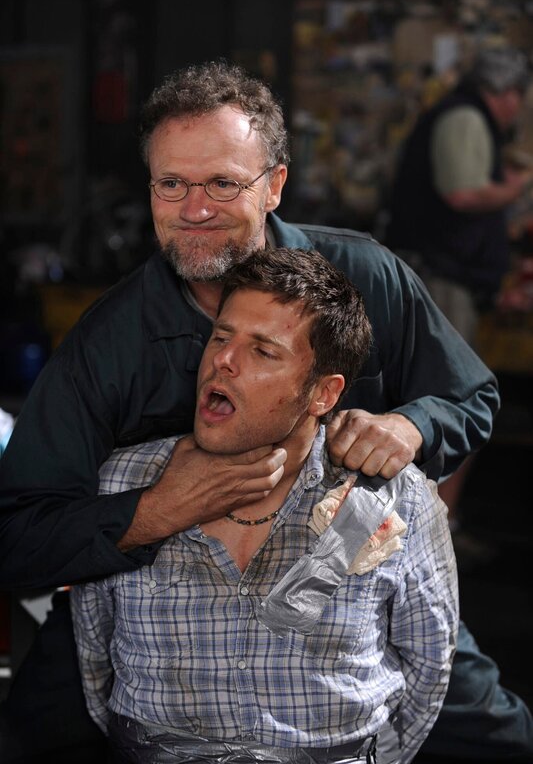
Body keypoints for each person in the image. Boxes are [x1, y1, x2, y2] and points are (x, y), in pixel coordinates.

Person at [0, 60, 531, 762]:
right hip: (163, 609)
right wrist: (156, 510)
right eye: (171, 184)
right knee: (27, 736)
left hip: (350, 581)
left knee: (500, 739)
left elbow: (471, 396)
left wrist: (410, 425)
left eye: (223, 183)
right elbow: (17, 535)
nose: (194, 208)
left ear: (274, 184)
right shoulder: (110, 344)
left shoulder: (365, 277)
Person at [70, 247, 459, 764]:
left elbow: (428, 669)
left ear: (323, 395)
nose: (223, 361)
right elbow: (94, 656)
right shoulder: (123, 482)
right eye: (221, 337)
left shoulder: (395, 499)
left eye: (263, 351)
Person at [385, 45, 533, 548]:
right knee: (454, 401)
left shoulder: (462, 115)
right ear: (507, 94)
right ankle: (431, 532)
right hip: (442, 279)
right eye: (519, 99)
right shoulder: (465, 115)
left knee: (451, 399)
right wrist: (516, 187)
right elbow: (463, 194)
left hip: (451, 277)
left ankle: (433, 527)